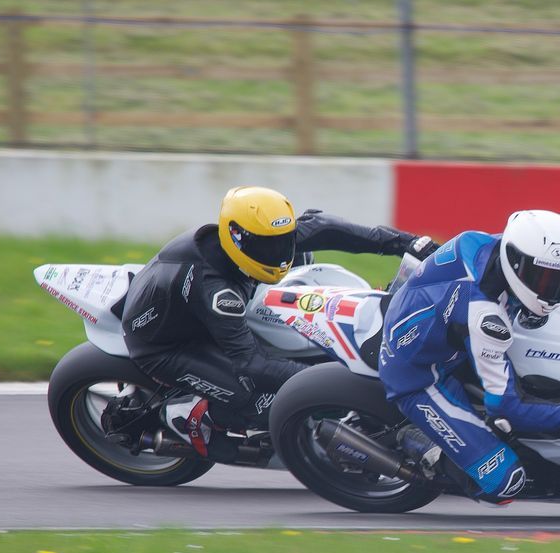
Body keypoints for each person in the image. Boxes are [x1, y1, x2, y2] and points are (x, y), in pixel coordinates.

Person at [377, 208, 560, 503]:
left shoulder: (503, 247)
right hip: (422, 375)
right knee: (502, 481)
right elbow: (506, 405)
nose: (553, 291)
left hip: (440, 322)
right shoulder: (485, 318)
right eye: (544, 280)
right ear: (516, 263)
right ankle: (419, 441)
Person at [123, 185, 435, 456]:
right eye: (267, 246)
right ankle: (189, 415)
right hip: (168, 345)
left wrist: (407, 243)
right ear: (237, 237)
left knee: (308, 271)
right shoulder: (216, 290)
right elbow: (251, 364)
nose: (279, 253)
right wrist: (336, 383)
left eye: (284, 241)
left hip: (214, 307)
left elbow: (330, 229)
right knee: (261, 399)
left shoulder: (264, 241)